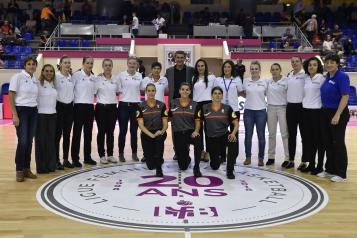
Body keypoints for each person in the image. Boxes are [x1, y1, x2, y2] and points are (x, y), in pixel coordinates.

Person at [319, 53, 350, 182]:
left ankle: (341, 173)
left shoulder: (342, 76)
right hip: (326, 112)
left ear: (337, 64)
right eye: (327, 62)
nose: (329, 64)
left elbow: (345, 96)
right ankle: (330, 170)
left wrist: (337, 115)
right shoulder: (327, 76)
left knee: (338, 143)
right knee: (328, 142)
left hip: (338, 113)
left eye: (332, 62)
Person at [8, 56, 38, 182]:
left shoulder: (34, 79)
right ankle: (19, 169)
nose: (31, 66)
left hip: (33, 111)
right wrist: (14, 114)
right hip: (21, 111)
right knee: (23, 141)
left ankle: (26, 168)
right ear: (25, 65)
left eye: (33, 64)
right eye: (29, 64)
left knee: (29, 141)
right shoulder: (18, 77)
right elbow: (11, 94)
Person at [202, 87, 239, 179]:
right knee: (215, 166)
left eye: (219, 93)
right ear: (211, 95)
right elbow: (198, 121)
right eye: (215, 93)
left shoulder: (227, 108)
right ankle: (217, 159)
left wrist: (233, 133)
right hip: (212, 138)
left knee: (233, 141)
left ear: (222, 95)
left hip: (224, 135)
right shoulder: (205, 108)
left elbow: (236, 123)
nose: (217, 95)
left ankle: (230, 171)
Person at [165, 50, 194, 160]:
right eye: (178, 57)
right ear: (174, 59)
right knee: (175, 128)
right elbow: (161, 80)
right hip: (174, 103)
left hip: (187, 102)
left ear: (185, 58)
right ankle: (177, 151)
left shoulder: (190, 70)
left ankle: (186, 149)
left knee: (187, 127)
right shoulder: (169, 71)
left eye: (182, 57)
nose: (180, 59)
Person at [170, 82, 203, 177]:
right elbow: (168, 117)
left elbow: (197, 121)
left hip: (190, 132)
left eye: (187, 89)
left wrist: (196, 131)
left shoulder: (195, 104)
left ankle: (196, 167)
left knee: (198, 141)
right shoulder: (173, 103)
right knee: (183, 166)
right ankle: (187, 158)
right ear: (179, 91)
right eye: (183, 89)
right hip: (178, 133)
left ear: (190, 92)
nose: (185, 91)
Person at [213, 60, 243, 163]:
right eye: (225, 67)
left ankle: (233, 157)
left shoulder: (237, 80)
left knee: (235, 134)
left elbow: (240, 92)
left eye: (229, 67)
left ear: (232, 69)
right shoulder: (218, 80)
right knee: (222, 134)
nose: (226, 69)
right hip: (221, 111)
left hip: (234, 110)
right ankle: (222, 156)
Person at [137, 83, 168, 177]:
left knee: (158, 140)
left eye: (153, 91)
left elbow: (165, 124)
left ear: (155, 92)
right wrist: (151, 135)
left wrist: (161, 131)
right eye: (149, 91)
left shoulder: (162, 105)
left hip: (159, 131)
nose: (151, 93)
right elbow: (141, 125)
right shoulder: (140, 106)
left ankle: (159, 168)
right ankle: (156, 158)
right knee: (150, 166)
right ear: (146, 92)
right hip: (147, 133)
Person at [301, 57, 325, 174]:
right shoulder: (305, 78)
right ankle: (311, 164)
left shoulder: (321, 78)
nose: (311, 67)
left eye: (314, 65)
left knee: (318, 140)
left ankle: (319, 166)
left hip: (317, 112)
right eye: (310, 65)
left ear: (318, 66)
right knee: (309, 140)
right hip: (305, 112)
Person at [117, 56, 144, 162]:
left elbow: (142, 88)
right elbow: (118, 89)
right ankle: (121, 154)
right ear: (127, 64)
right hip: (123, 105)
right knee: (122, 131)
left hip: (135, 106)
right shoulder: (121, 75)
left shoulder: (139, 75)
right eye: (130, 63)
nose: (132, 65)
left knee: (134, 131)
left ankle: (134, 153)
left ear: (137, 65)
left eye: (134, 63)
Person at [71, 56, 96, 167]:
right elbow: (70, 90)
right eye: (88, 63)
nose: (90, 65)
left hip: (90, 107)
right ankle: (75, 159)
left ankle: (87, 157)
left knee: (88, 134)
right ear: (83, 63)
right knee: (77, 134)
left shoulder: (93, 77)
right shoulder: (76, 75)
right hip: (78, 107)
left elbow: (95, 92)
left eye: (91, 63)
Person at [242, 61, 267, 166]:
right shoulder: (245, 81)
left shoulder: (264, 82)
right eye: (252, 68)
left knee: (261, 136)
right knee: (248, 136)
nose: (254, 70)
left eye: (256, 68)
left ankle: (260, 158)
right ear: (250, 70)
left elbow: (266, 93)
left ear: (259, 70)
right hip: (248, 112)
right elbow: (243, 93)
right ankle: (248, 157)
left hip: (261, 111)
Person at [95, 59, 119, 164]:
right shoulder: (98, 79)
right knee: (101, 132)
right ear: (103, 66)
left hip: (113, 108)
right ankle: (101, 155)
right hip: (101, 108)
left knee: (110, 132)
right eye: (106, 65)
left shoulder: (116, 79)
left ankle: (110, 155)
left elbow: (118, 92)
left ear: (112, 66)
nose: (108, 67)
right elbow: (94, 93)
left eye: (109, 65)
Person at [284, 56, 307, 169]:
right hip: (290, 108)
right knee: (291, 135)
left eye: (297, 61)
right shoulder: (289, 75)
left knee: (304, 135)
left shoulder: (305, 75)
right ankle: (291, 160)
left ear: (301, 63)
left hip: (302, 108)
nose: (294, 63)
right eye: (292, 61)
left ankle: (304, 161)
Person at [35, 64, 57, 174]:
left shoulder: (54, 84)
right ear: (42, 72)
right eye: (47, 71)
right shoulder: (37, 84)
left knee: (50, 142)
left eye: (51, 71)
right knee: (41, 142)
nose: (49, 73)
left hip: (53, 115)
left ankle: (50, 165)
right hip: (41, 116)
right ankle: (41, 167)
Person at [192, 59, 215, 162]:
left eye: (202, 65)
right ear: (196, 68)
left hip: (208, 105)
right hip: (197, 106)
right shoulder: (194, 78)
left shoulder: (211, 77)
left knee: (209, 130)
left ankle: (209, 152)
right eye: (198, 66)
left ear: (205, 67)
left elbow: (216, 91)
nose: (200, 67)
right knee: (199, 130)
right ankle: (200, 151)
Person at [266, 63, 289, 166]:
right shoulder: (267, 81)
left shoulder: (286, 81)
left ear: (280, 70)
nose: (275, 71)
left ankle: (287, 158)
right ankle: (271, 157)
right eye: (273, 69)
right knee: (271, 134)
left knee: (284, 134)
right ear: (270, 71)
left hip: (282, 108)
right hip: (270, 108)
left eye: (277, 69)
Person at [55, 56, 74, 169]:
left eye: (69, 63)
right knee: (57, 135)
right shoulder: (56, 77)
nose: (67, 64)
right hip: (59, 107)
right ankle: (56, 160)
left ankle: (66, 159)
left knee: (67, 135)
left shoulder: (71, 77)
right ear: (61, 64)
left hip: (69, 109)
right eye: (65, 62)